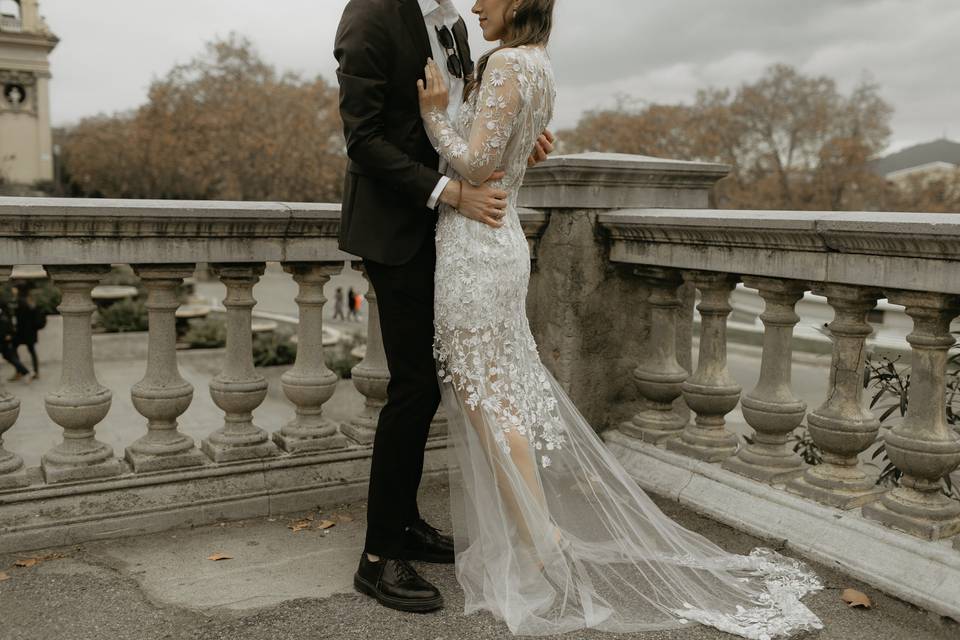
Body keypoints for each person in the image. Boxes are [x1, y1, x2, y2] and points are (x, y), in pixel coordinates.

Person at [409, 1, 825, 637]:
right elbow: (512, 152)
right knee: (493, 398)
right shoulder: (536, 65)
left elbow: (473, 166)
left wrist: (436, 119)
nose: (473, 6)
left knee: (486, 401)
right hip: (494, 243)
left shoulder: (507, 67)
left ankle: (540, 541)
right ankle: (535, 538)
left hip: (476, 244)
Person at [335, 0, 555, 615]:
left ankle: (402, 523)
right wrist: (447, 190)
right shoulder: (370, 15)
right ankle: (378, 557)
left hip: (454, 233)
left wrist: (513, 138)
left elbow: (461, 117)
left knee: (433, 385)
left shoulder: (455, 23)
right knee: (411, 387)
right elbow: (364, 138)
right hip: (400, 228)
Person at [14, 286, 44, 380]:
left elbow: (20, 318)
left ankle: (19, 371)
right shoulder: (31, 302)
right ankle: (35, 372)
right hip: (31, 332)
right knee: (32, 351)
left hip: (22, 332)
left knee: (12, 350)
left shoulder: (20, 302)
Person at [0, 304, 30, 383]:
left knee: (11, 357)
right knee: (10, 357)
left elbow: (7, 330)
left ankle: (25, 372)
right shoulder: (5, 316)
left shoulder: (3, 317)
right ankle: (25, 372)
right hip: (4, 340)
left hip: (4, 341)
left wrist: (7, 336)